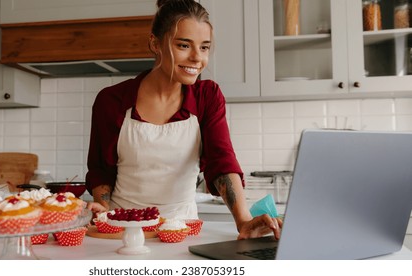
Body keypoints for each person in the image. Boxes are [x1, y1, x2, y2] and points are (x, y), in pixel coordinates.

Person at [85, 0, 282, 240]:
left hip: (182, 231)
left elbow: (221, 160)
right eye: (183, 45)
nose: (197, 58)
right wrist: (103, 212)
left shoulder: (207, 96)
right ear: (155, 43)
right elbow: (101, 171)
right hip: (123, 232)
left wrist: (243, 220)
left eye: (205, 47)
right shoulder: (112, 101)